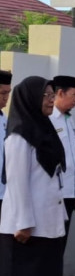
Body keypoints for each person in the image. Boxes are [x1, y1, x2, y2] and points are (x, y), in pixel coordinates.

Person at [0, 76, 67, 276]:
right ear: (30, 99)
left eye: (52, 95)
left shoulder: (44, 129)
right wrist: (24, 223)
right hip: (25, 229)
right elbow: (17, 183)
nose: (51, 100)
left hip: (48, 224)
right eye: (46, 96)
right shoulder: (19, 136)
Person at [50, 75, 75, 276]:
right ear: (59, 93)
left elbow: (73, 159)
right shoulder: (50, 119)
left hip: (71, 193)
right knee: (53, 244)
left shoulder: (69, 120)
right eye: (74, 95)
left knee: (62, 242)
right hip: (56, 194)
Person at [0, 70, 12, 217]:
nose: (6, 97)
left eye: (8, 93)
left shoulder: (6, 119)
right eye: (3, 93)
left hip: (5, 192)